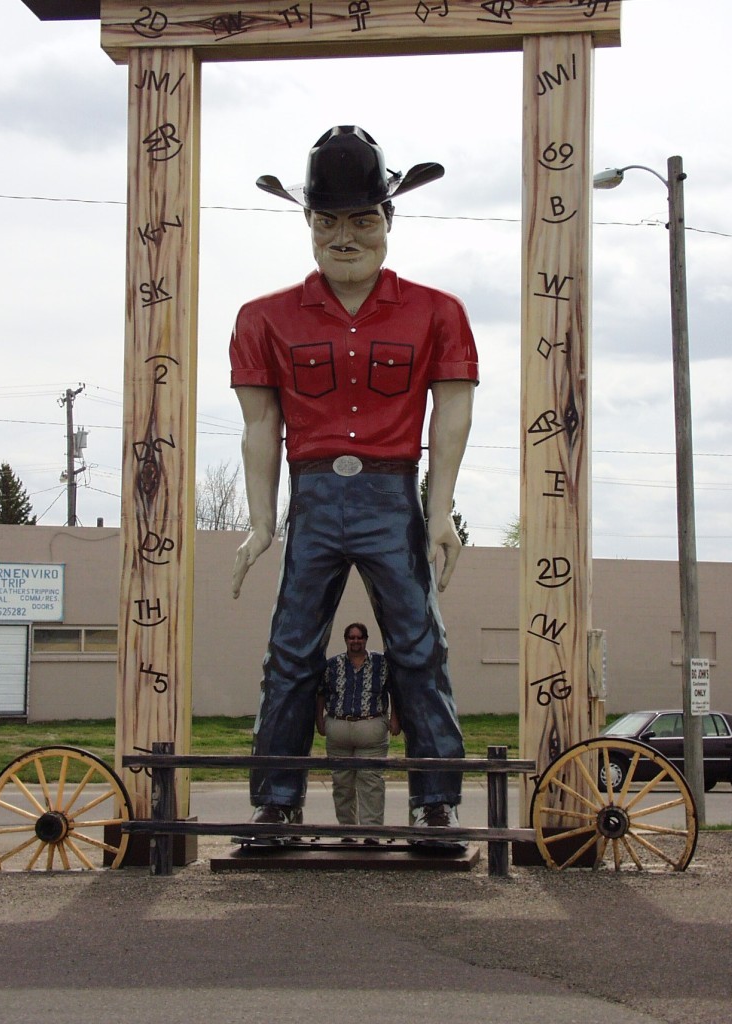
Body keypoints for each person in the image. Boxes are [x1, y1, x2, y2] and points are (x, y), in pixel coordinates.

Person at [230, 126, 478, 844]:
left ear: (388, 222)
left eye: (363, 219)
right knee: (291, 651)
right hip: (312, 497)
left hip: (391, 496)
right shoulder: (262, 319)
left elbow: (453, 415)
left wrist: (439, 513)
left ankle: (436, 803)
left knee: (421, 647)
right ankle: (275, 802)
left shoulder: (438, 312)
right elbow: (259, 426)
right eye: (328, 219)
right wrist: (261, 521)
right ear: (307, 223)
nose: (346, 236)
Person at [316, 622, 401, 839]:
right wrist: (319, 720)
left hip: (370, 726)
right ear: (346, 640)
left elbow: (395, 691)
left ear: (365, 639)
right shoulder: (332, 665)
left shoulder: (382, 663)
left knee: (371, 783)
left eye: (359, 637)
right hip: (338, 727)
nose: (355, 641)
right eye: (351, 638)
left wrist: (395, 718)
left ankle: (371, 832)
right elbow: (321, 693)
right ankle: (347, 830)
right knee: (342, 784)